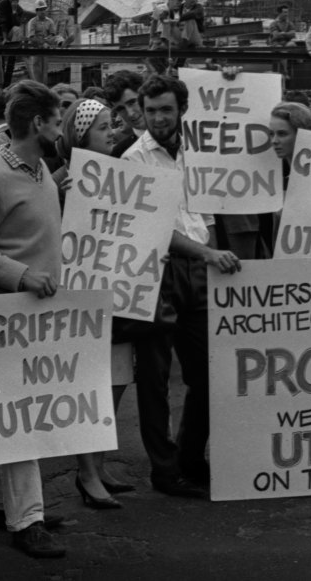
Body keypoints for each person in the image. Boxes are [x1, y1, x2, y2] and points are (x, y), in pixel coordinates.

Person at [123, 74, 241, 497]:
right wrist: (206, 253)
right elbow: (155, 226)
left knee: (208, 372)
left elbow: (208, 210)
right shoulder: (135, 158)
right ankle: (165, 469)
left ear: (182, 110)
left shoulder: (199, 152)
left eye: (165, 110)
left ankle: (191, 457)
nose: (157, 118)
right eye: (150, 110)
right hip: (158, 272)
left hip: (199, 272)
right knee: (154, 377)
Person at [0, 81, 66, 559]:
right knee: (21, 416)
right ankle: (29, 520)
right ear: (39, 124)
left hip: (34, 313)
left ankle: (6, 507)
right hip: (8, 313)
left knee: (23, 414)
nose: (61, 126)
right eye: (57, 118)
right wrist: (23, 276)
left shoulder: (39, 168)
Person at [53, 99, 135, 507]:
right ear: (81, 134)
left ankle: (98, 464)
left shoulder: (118, 173)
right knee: (89, 388)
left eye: (113, 125)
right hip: (80, 302)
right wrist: (57, 197)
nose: (112, 132)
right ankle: (86, 474)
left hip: (118, 297)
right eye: (103, 126)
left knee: (117, 382)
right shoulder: (61, 179)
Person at [103, 70, 145, 156]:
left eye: (132, 102)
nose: (130, 113)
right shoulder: (119, 153)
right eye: (121, 109)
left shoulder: (178, 132)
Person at [27, 0, 58, 84]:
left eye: (44, 9)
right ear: (36, 11)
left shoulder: (50, 22)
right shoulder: (32, 22)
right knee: (37, 71)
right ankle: (37, 86)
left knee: (45, 71)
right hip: (36, 49)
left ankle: (44, 87)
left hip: (46, 49)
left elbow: (53, 34)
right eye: (40, 10)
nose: (43, 12)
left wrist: (47, 41)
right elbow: (31, 36)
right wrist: (41, 42)